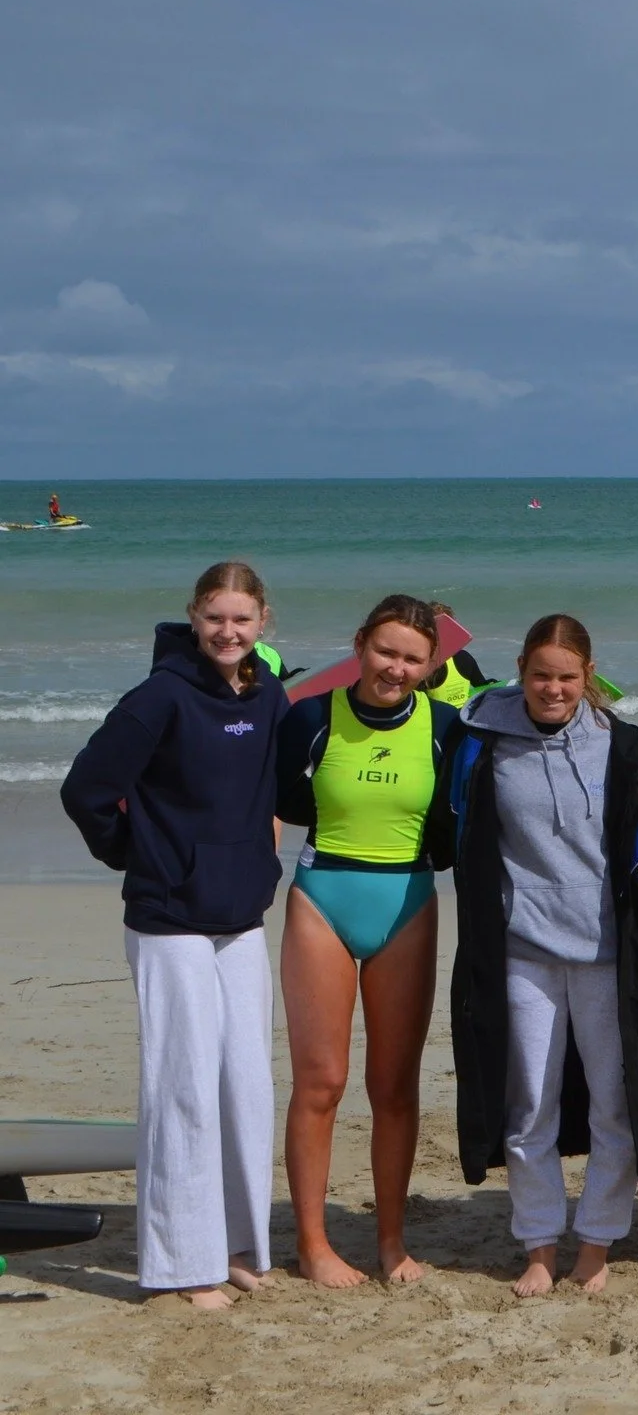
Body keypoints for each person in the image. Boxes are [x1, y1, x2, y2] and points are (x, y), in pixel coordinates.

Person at [60, 561, 288, 1309]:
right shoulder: (159, 695)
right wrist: (139, 854)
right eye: (215, 617)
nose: (228, 631)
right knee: (182, 1089)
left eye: (242, 619)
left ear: (263, 622)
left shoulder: (268, 694)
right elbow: (86, 789)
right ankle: (182, 1265)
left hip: (240, 915)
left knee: (245, 1087)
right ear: (194, 616)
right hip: (169, 920)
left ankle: (235, 1245)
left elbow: (277, 790)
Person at [446, 614, 638, 1297]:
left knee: (614, 1105)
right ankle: (539, 1244)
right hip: (523, 951)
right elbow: (456, 831)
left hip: (607, 954)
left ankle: (597, 1241)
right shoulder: (481, 742)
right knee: (529, 1106)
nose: (553, 689)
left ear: (589, 676)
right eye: (541, 676)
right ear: (521, 671)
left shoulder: (621, 745)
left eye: (567, 677)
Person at [275, 595, 460, 1287]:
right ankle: (313, 1244)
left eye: (412, 659)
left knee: (393, 1086)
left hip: (406, 900)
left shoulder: (445, 728)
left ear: (431, 665)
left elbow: (459, 823)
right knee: (321, 1082)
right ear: (360, 645)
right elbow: (276, 799)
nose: (395, 668)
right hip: (322, 899)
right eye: (386, 651)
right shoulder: (311, 718)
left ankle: (391, 1241)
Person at [421, 601, 490, 708]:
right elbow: (482, 687)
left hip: (437, 717)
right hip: (464, 715)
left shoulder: (426, 664)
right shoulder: (465, 657)